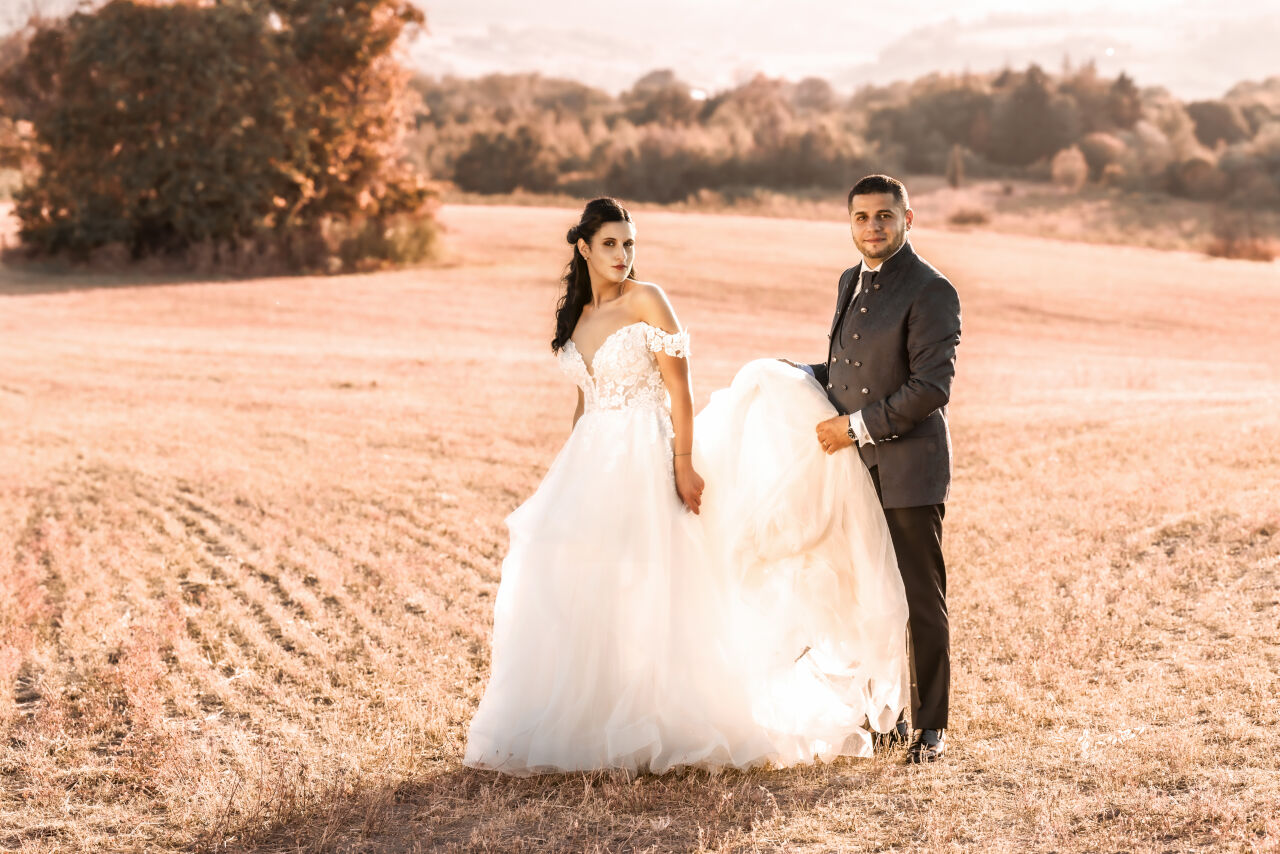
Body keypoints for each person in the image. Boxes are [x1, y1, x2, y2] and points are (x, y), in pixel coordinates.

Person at [463, 198, 909, 776]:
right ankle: (593, 715)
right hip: (591, 461)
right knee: (582, 578)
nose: (622, 255)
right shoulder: (576, 317)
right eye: (609, 244)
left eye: (629, 244)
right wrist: (569, 471)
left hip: (646, 453)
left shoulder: (648, 299)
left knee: (657, 576)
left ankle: (663, 714)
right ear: (584, 248)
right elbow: (583, 403)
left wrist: (682, 463)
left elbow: (680, 391)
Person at [797, 174, 962, 764]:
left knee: (919, 598)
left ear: (907, 220)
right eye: (862, 217)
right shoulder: (849, 280)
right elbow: (849, 371)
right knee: (866, 594)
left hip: (909, 467)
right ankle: (884, 717)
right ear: (850, 222)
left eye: (885, 216)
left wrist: (854, 427)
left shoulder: (932, 290)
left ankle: (931, 727)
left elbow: (930, 387)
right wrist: (794, 377)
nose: (873, 227)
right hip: (854, 470)